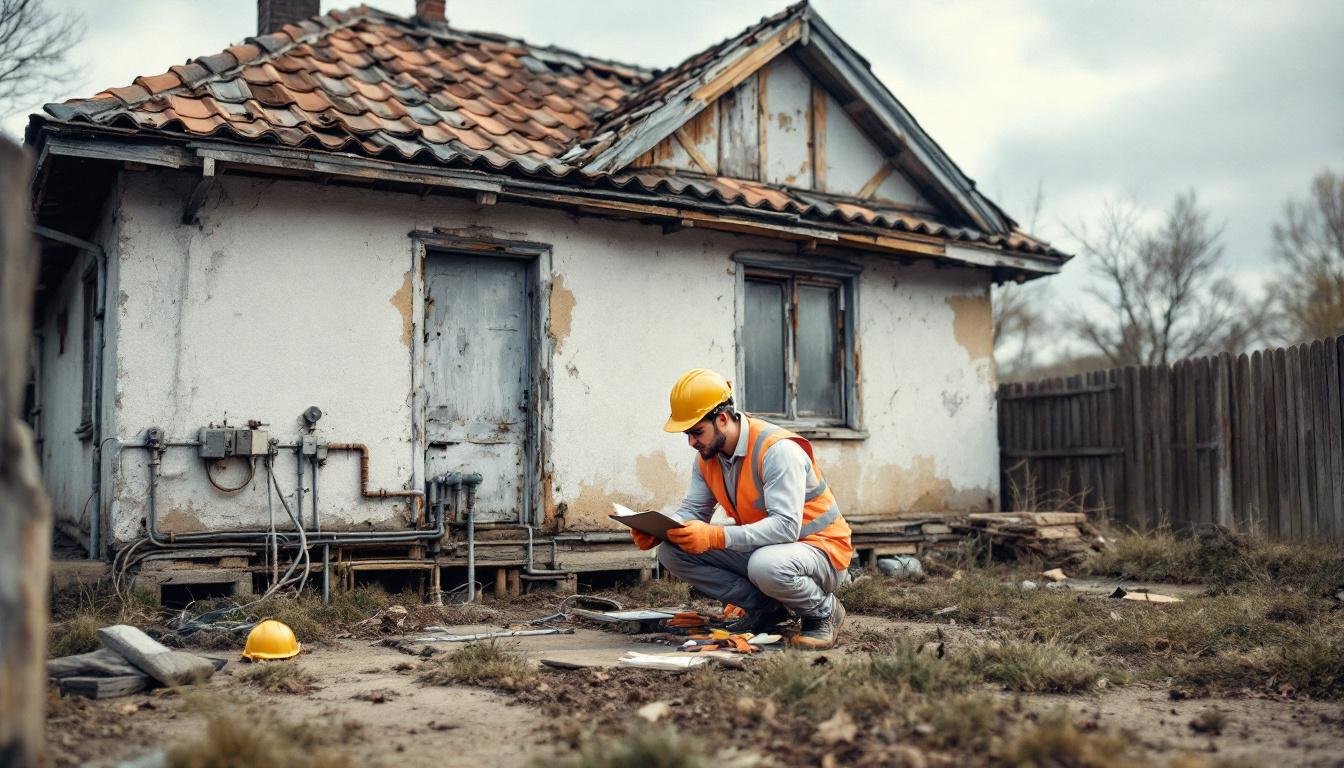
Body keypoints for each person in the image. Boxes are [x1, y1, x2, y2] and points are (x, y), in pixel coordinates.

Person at [630, 368, 853, 649]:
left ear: (722, 419)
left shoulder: (777, 451)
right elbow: (693, 511)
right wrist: (661, 528)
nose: (691, 442)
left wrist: (715, 536)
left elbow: (786, 527)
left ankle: (823, 611)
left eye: (697, 432)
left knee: (766, 565)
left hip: (822, 553)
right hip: (770, 551)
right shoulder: (708, 458)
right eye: (688, 434)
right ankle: (768, 611)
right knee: (672, 552)